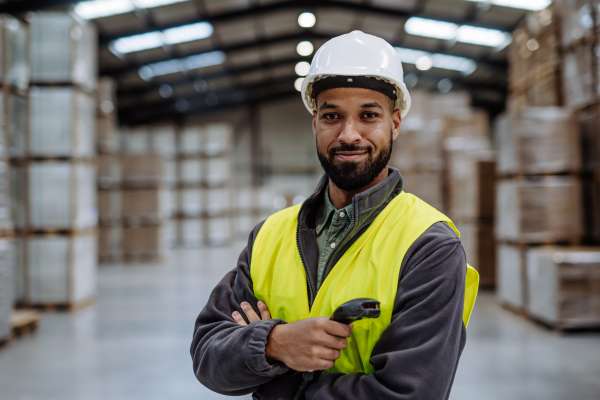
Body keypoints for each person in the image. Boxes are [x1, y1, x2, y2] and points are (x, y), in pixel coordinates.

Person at [191, 30, 479, 400]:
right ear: (315, 124)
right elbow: (206, 357)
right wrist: (274, 344)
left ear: (395, 123)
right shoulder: (270, 234)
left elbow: (409, 393)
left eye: (368, 115)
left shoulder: (429, 243)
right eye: (332, 116)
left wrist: (277, 382)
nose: (348, 134)